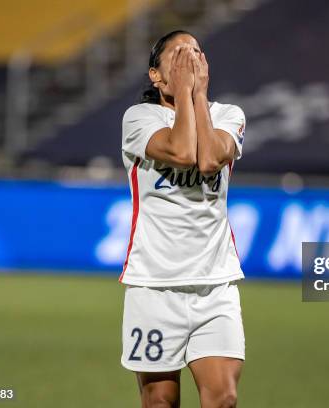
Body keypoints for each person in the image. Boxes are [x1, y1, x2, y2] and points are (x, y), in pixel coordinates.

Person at [119, 30, 246, 408]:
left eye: (196, 53)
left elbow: (208, 160)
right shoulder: (140, 118)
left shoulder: (228, 115)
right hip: (154, 287)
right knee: (160, 403)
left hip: (215, 285)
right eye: (178, 56)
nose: (190, 60)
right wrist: (189, 96)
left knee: (223, 398)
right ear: (155, 75)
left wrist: (198, 96)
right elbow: (181, 150)